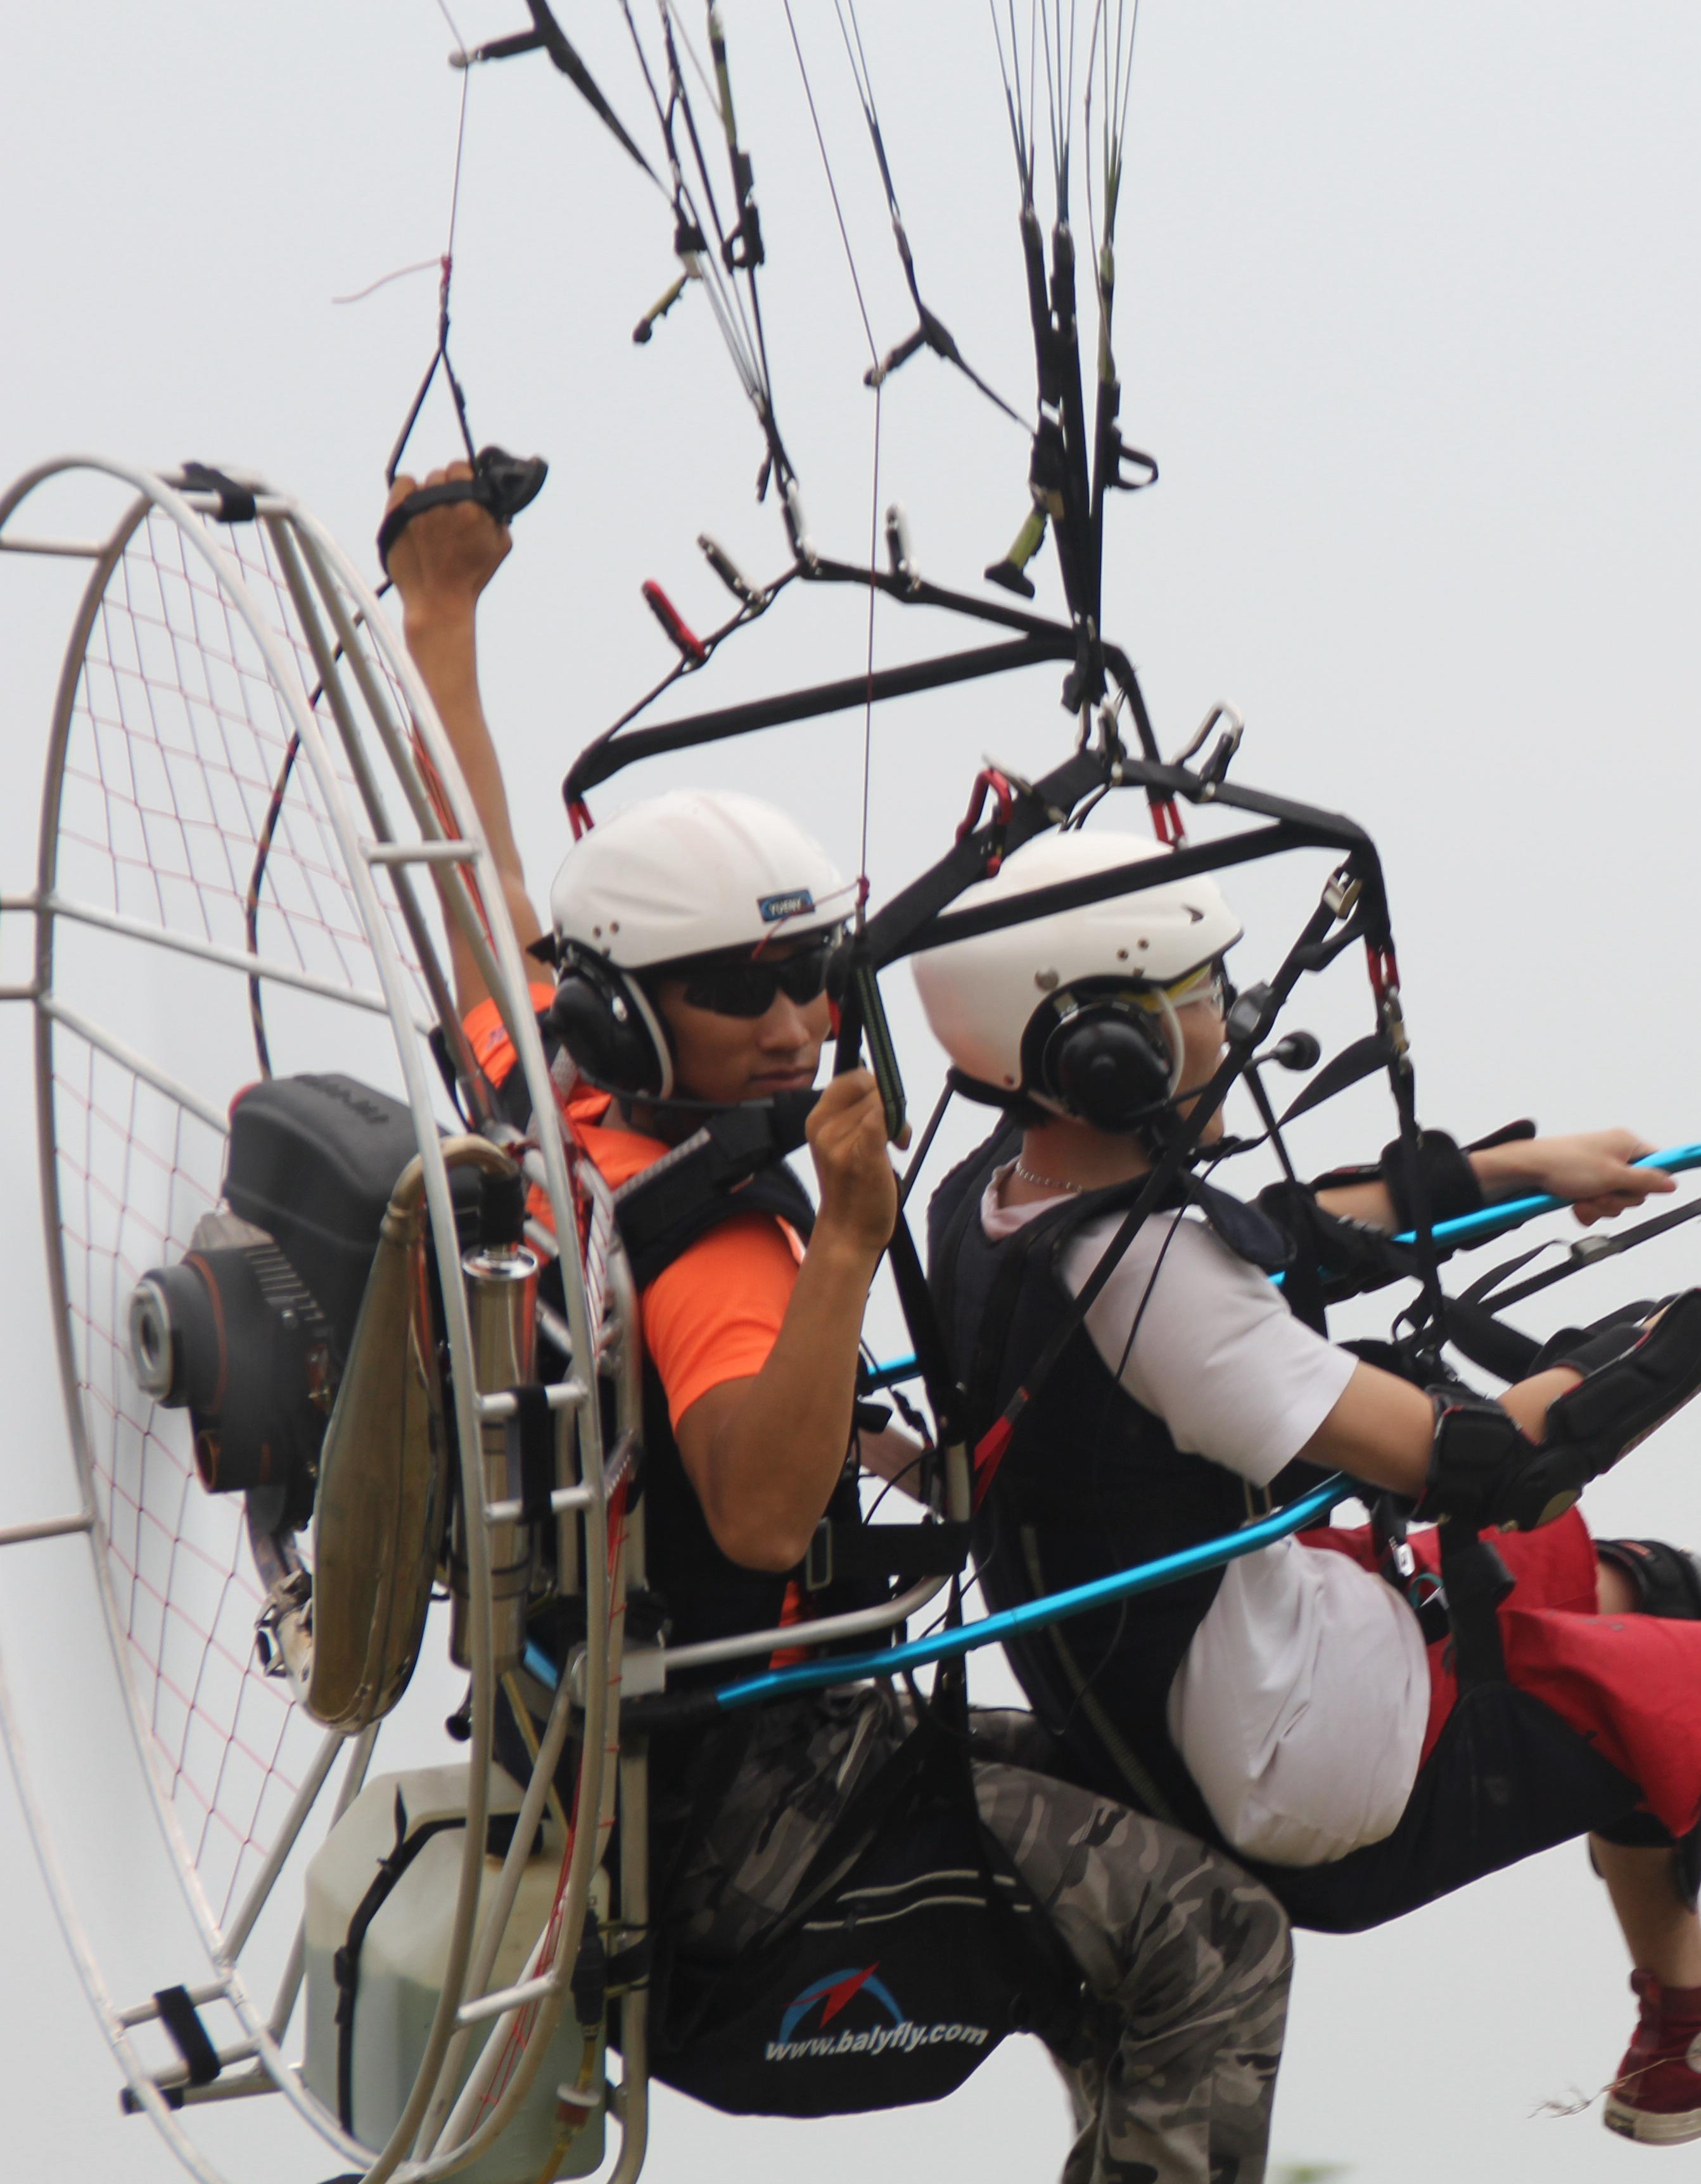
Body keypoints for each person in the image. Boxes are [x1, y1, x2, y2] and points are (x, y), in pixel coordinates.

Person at [914, 827, 1701, 2183]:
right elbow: (1481, 1462)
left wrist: (1517, 1170)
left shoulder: (1000, 1202)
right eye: (1204, 1000)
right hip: (1318, 1770)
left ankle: (1691, 2028)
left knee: (1659, 1590)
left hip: (1206, 1695)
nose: (1237, 1022)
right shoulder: (1165, 1294)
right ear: (1103, 1052)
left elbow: (1279, 1227)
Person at [383, 464, 1293, 2184]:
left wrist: (441, 614)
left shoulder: (555, 1102)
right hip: (753, 1823)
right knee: (1218, 1940)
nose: (797, 1025)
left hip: (606, 1772)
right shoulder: (723, 1235)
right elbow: (757, 1510)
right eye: (744, 992)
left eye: (813, 975)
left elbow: (472, 888)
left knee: (1154, 1837)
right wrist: (851, 1243)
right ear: (631, 1000)